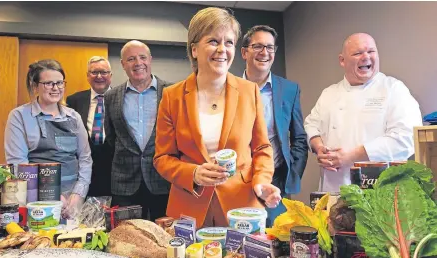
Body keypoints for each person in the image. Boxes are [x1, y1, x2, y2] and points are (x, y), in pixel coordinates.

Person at [153, 7, 281, 228]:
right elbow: (162, 158)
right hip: (189, 208)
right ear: (194, 50)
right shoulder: (171, 96)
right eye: (213, 41)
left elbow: (262, 149)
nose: (222, 49)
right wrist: (193, 173)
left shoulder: (250, 91)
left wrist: (262, 181)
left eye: (229, 42)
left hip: (242, 208)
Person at [304, 33, 422, 192]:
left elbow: (407, 138)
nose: (366, 57)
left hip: (378, 192)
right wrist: (319, 148)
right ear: (342, 60)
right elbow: (311, 125)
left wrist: (351, 156)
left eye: (371, 51)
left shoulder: (393, 89)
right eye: (357, 53)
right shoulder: (329, 93)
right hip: (333, 188)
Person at [5, 59, 92, 215]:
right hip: (37, 201)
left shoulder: (74, 117)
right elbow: (18, 164)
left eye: (60, 83)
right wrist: (53, 197)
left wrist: (78, 194)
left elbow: (85, 159)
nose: (55, 88)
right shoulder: (20, 116)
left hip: (73, 201)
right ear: (35, 86)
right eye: (49, 83)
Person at [241, 25, 308, 225]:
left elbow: (299, 138)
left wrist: (291, 176)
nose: (265, 53)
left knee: (277, 238)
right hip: (241, 180)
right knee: (243, 238)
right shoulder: (230, 89)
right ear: (244, 52)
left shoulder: (289, 89)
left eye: (270, 47)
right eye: (258, 46)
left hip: (277, 181)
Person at [104, 40, 171, 222]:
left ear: (150, 59)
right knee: (126, 238)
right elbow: (111, 136)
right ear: (123, 64)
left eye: (142, 57)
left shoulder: (172, 92)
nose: (138, 63)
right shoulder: (111, 96)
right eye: (131, 59)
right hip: (124, 181)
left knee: (165, 238)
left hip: (162, 179)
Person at [66, 56, 112, 197]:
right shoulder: (74, 100)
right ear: (87, 76)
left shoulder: (122, 98)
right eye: (94, 72)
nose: (99, 76)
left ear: (110, 75)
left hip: (114, 172)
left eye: (104, 72)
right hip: (84, 171)